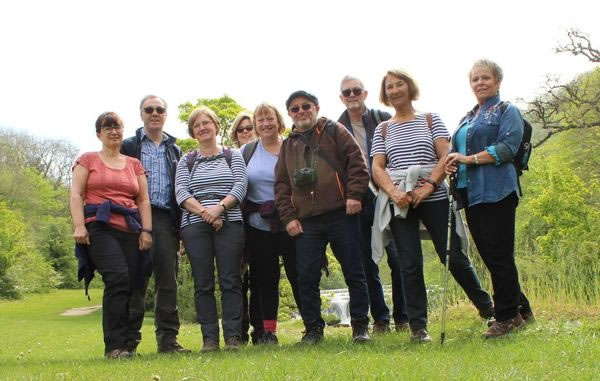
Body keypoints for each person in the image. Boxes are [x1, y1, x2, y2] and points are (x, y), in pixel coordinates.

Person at [370, 69, 493, 343]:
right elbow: (378, 166)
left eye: (399, 84)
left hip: (434, 195)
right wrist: (393, 192)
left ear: (409, 87)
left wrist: (429, 186)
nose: (394, 90)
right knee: (409, 262)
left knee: (452, 255)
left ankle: (487, 308)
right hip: (400, 198)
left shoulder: (430, 119)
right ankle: (418, 328)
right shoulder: (383, 129)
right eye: (389, 87)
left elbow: (445, 154)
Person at [445, 58, 534, 339]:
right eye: (475, 79)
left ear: (497, 81)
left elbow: (508, 148)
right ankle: (522, 308)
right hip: (471, 194)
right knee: (490, 255)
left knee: (499, 254)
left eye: (485, 78)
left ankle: (507, 317)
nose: (480, 83)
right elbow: (455, 150)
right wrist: (452, 163)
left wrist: (468, 159)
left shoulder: (508, 111)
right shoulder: (467, 117)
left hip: (498, 191)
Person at [274, 90, 371, 344]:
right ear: (290, 114)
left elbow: (357, 164)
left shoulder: (335, 131)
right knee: (306, 276)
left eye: (306, 106)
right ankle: (313, 330)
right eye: (295, 109)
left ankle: (361, 326)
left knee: (354, 271)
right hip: (307, 220)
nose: (301, 112)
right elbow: (281, 186)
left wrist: (354, 196)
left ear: (316, 107)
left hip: (342, 213)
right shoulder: (288, 145)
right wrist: (289, 218)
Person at [70, 112, 152, 358]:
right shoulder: (87, 160)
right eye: (107, 128)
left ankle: (129, 344)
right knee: (117, 277)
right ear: (99, 134)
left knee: (133, 283)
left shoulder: (134, 164)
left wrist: (146, 230)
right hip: (100, 225)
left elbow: (143, 199)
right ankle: (114, 346)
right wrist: (79, 225)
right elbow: (76, 194)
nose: (113, 131)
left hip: (130, 227)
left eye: (117, 127)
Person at [337, 75, 408, 333]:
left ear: (365, 93)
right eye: (347, 92)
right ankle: (381, 319)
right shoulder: (337, 128)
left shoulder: (384, 119)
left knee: (399, 258)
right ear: (341, 97)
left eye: (356, 90)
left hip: (390, 194)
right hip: (358, 200)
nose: (352, 95)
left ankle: (404, 317)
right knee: (366, 262)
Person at [175, 106, 248, 352]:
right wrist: (207, 213)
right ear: (193, 132)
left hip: (230, 222)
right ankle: (209, 340)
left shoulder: (233, 155)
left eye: (207, 123)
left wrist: (219, 209)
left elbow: (240, 185)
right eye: (197, 125)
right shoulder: (187, 160)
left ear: (217, 126)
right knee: (203, 283)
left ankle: (233, 338)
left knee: (231, 280)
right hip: (195, 225)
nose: (203, 128)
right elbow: (182, 194)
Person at [120, 95, 189, 354]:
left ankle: (168, 341)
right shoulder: (129, 146)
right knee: (136, 280)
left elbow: (181, 190)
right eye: (149, 110)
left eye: (160, 109)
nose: (154, 113)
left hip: (166, 219)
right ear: (141, 114)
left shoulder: (175, 149)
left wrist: (181, 230)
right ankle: (129, 342)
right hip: (134, 218)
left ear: (165, 115)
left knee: (167, 281)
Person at [241, 103, 302, 345]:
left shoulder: (293, 147)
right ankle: (267, 332)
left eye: (270, 118)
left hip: (292, 222)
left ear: (279, 121)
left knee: (300, 275)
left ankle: (312, 326)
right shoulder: (247, 151)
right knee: (265, 280)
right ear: (255, 125)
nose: (265, 123)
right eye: (260, 119)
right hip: (258, 225)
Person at [230, 111, 263, 344]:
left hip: (260, 225)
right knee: (237, 281)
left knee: (262, 279)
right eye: (240, 129)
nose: (245, 132)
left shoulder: (263, 152)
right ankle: (238, 332)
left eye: (249, 127)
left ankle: (262, 329)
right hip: (236, 225)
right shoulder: (229, 156)